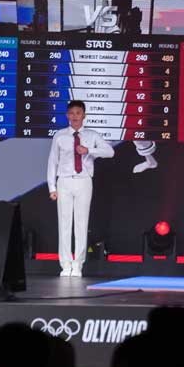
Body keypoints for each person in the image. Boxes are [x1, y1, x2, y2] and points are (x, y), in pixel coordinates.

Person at [46, 99, 114, 277]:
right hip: (64, 181)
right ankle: (65, 265)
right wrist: (52, 187)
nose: (75, 116)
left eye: (78, 113)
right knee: (64, 223)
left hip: (84, 181)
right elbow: (52, 161)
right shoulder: (60, 135)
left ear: (84, 115)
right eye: (71, 113)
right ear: (67, 115)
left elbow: (110, 151)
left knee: (81, 224)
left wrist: (89, 150)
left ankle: (78, 265)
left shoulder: (92, 135)